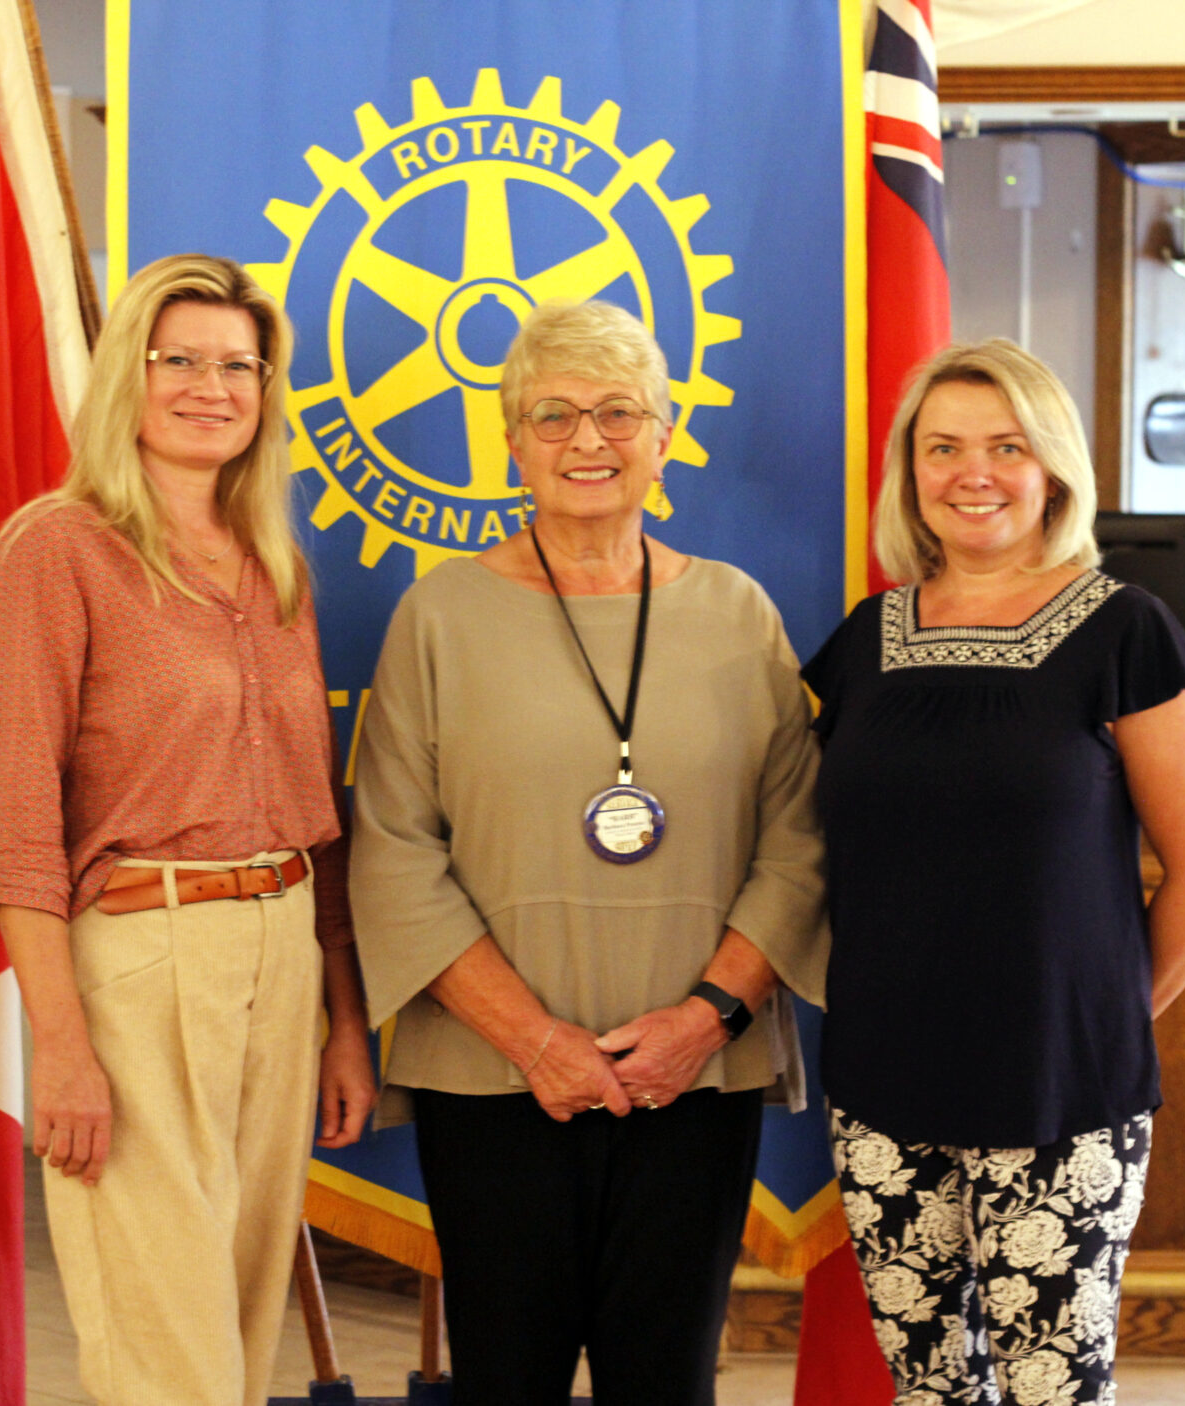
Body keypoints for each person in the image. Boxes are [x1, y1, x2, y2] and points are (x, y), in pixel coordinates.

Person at [350, 299, 827, 1406]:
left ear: (664, 436)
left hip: (691, 1072)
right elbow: (392, 850)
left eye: (619, 413)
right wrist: (536, 1041)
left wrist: (702, 1019)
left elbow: (798, 838)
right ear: (510, 443)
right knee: (505, 1376)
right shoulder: (439, 614)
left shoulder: (737, 611)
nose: (588, 441)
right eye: (553, 415)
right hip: (493, 1073)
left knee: (664, 1378)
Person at [0, 253, 376, 1406]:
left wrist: (343, 1014)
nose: (211, 386)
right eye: (178, 360)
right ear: (124, 378)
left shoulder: (273, 567)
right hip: (140, 960)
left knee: (239, 1335)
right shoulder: (55, 550)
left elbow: (317, 812)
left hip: (280, 951)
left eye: (238, 365)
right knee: (164, 1348)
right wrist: (61, 1041)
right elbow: (11, 820)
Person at [802, 339, 1185, 1406]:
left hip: (1059, 1087)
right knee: (930, 1384)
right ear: (910, 470)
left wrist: (1102, 1021)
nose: (973, 471)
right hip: (883, 1080)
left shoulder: (1124, 629)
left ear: (1051, 467)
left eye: (1006, 445)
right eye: (942, 446)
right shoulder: (869, 637)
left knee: (1052, 1388)